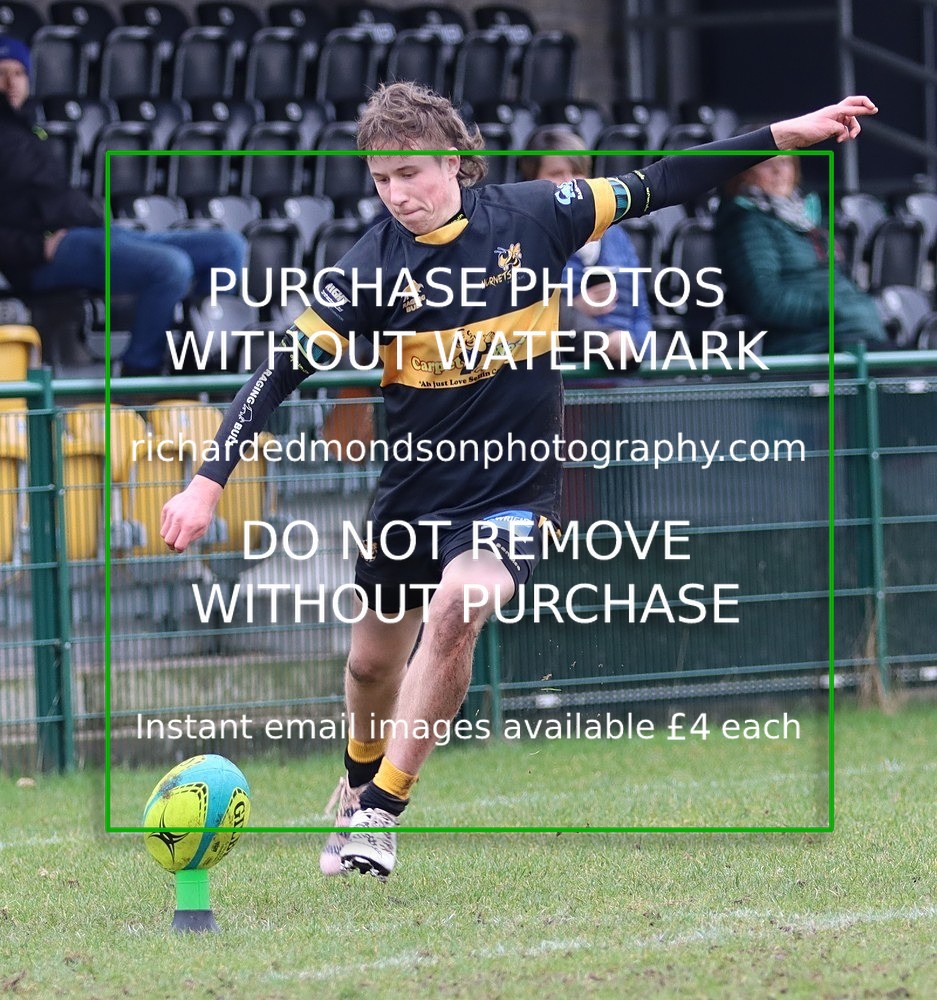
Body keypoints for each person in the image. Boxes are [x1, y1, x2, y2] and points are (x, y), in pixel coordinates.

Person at [160, 82, 877, 880]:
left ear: (458, 165)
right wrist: (206, 481)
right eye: (381, 180)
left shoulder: (540, 213)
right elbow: (278, 369)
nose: (397, 195)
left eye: (412, 175)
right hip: (413, 497)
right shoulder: (370, 267)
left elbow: (666, 178)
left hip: (512, 492)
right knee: (369, 667)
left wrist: (783, 132)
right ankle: (360, 779)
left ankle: (380, 813)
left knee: (461, 604)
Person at [0, 35, 246, 377]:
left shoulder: (30, 131)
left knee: (226, 248)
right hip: (48, 256)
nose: (11, 83)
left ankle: (200, 360)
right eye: (2, 73)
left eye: (18, 73)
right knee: (170, 268)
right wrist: (37, 248)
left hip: (92, 234)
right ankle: (139, 375)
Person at [714, 151, 888, 354]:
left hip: (853, 335)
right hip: (809, 344)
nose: (778, 171)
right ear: (743, 173)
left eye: (785, 162)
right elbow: (765, 300)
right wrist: (836, 310)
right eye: (766, 165)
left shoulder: (805, 217)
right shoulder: (746, 223)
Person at [520, 126, 652, 370]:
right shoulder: (523, 240)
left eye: (578, 172)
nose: (570, 182)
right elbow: (525, 315)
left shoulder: (617, 237)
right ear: (531, 180)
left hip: (625, 383)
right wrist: (576, 309)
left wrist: (637, 349)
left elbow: (641, 313)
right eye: (557, 173)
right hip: (569, 388)